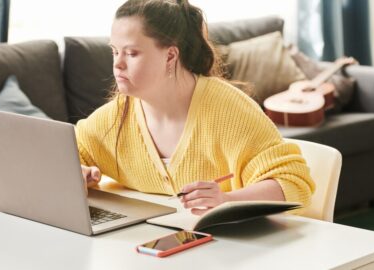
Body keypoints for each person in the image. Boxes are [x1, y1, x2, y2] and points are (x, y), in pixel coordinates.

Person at [76, 0, 315, 215]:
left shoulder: (228, 110)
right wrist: (80, 172)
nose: (117, 64)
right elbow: (68, 151)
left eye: (131, 53)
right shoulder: (117, 115)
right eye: (114, 51)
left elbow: (293, 182)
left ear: (170, 56)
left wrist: (227, 200)